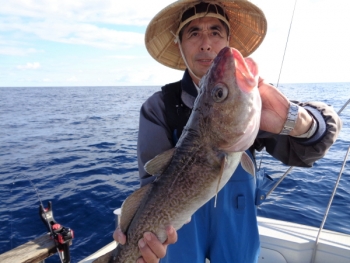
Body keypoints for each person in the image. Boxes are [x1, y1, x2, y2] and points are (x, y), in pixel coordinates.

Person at [114, 1, 342, 262]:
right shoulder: (158, 106)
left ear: (228, 40)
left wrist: (297, 121)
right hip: (176, 236)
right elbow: (150, 187)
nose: (206, 44)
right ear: (179, 43)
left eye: (215, 31)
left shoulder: (250, 103)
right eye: (193, 33)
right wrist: (139, 241)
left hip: (237, 229)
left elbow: (316, 142)